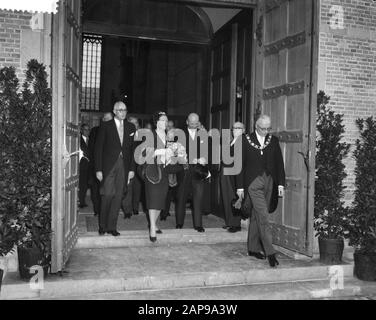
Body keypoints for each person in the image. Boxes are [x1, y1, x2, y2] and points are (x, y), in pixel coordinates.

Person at [236, 115, 285, 267]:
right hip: (253, 183)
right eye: (262, 128)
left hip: (270, 182)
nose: (265, 131)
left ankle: (252, 248)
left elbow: (279, 164)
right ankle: (270, 252)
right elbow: (239, 165)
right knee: (263, 216)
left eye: (268, 128)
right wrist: (240, 187)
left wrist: (281, 185)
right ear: (256, 126)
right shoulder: (244, 140)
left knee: (257, 215)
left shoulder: (274, 141)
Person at [94, 102, 136, 236]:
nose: (123, 112)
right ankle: (102, 225)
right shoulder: (106, 126)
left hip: (124, 166)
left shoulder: (131, 127)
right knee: (107, 195)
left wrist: (131, 169)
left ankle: (112, 227)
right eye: (120, 110)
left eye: (125, 110)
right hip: (108, 166)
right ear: (114, 111)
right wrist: (98, 169)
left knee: (118, 196)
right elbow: (98, 148)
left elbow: (133, 150)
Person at [140, 111, 182, 242]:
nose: (165, 123)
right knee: (152, 198)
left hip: (163, 171)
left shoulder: (168, 136)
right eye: (162, 120)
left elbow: (170, 155)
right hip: (151, 170)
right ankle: (152, 227)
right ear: (156, 122)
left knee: (160, 200)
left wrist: (174, 153)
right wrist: (163, 151)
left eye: (166, 120)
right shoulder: (150, 135)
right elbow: (146, 152)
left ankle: (154, 223)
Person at [175, 113, 209, 232]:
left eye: (196, 123)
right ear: (187, 122)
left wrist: (204, 158)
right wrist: (189, 159)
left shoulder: (203, 134)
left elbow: (209, 149)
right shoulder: (179, 135)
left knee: (198, 197)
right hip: (184, 170)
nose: (194, 125)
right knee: (181, 198)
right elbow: (176, 153)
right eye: (192, 123)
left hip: (198, 171)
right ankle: (179, 223)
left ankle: (198, 224)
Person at [220, 122, 244, 233]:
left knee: (235, 198)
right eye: (233, 128)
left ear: (243, 130)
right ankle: (229, 222)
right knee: (227, 198)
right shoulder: (231, 142)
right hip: (225, 173)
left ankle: (236, 224)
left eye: (238, 128)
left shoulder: (243, 143)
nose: (235, 130)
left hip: (234, 174)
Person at [88, 112, 113, 217]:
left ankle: (108, 211)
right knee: (96, 190)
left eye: (109, 118)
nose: (106, 120)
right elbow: (93, 149)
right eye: (105, 118)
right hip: (97, 166)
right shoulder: (95, 131)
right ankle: (97, 210)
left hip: (111, 167)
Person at [122, 116, 142, 218]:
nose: (134, 125)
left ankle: (135, 208)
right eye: (132, 123)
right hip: (128, 165)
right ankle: (127, 210)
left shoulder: (144, 136)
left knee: (137, 189)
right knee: (128, 188)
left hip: (140, 166)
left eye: (136, 123)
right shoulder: (124, 135)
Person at [79, 123, 90, 208]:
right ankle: (81, 202)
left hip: (89, 166)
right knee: (81, 184)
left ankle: (83, 200)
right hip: (81, 166)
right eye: (85, 129)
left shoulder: (91, 140)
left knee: (86, 184)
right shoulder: (78, 140)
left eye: (88, 129)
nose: (87, 131)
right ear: (81, 130)